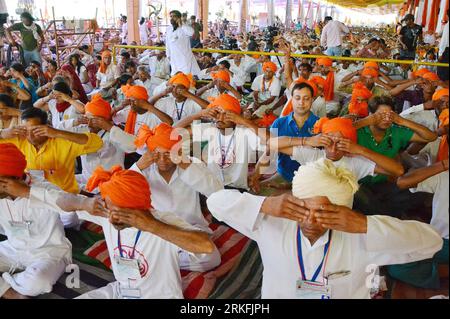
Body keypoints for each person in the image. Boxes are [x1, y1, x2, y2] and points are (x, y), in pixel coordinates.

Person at [206, 159, 442, 299]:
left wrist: (366, 224)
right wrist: (265, 203)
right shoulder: (271, 224)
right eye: (303, 209)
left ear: (342, 212)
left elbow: (432, 242)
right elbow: (215, 203)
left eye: (324, 213)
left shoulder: (362, 235)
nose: (310, 221)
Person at [31, 166, 215, 299]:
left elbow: (206, 246)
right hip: (120, 291)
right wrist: (83, 203)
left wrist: (152, 226)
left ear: (139, 208)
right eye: (109, 207)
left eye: (121, 212)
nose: (113, 218)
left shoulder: (162, 221)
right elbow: (59, 200)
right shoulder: (108, 214)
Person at [130, 123, 222, 271]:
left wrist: (185, 164)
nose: (162, 160)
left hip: (190, 228)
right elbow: (122, 191)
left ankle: (160, 261)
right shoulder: (145, 169)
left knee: (211, 258)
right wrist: (138, 167)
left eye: (167, 154)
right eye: (156, 154)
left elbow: (216, 191)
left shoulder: (191, 163)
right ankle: (166, 260)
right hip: (157, 228)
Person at [0, 144, 72, 299]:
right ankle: (10, 291)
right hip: (12, 249)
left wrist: (29, 194)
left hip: (48, 252)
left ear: (16, 179)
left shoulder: (45, 189)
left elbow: (71, 216)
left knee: (38, 281)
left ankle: (8, 283)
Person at [0, 108, 103, 195]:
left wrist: (57, 132)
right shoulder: (19, 140)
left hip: (65, 197)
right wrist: (2, 133)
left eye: (35, 130)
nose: (30, 136)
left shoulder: (62, 141)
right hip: (34, 196)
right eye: (25, 131)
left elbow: (97, 143)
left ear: (47, 126)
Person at [176, 93, 267, 191]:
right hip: (212, 186)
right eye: (217, 113)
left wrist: (256, 176)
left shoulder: (245, 133)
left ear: (235, 117)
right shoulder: (211, 128)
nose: (220, 118)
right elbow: (173, 131)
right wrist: (199, 114)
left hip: (237, 187)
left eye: (226, 115)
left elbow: (272, 144)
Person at [389, 159, 449, 289]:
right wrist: (443, 165)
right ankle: (439, 277)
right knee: (397, 263)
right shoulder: (445, 176)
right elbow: (403, 182)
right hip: (441, 242)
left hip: (439, 243)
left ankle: (438, 274)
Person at [166, 10, 201, 76]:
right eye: (171, 16)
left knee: (184, 78)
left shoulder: (184, 27)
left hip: (184, 59)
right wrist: (168, 55)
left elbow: (191, 33)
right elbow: (168, 44)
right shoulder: (169, 29)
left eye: (174, 16)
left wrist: (181, 25)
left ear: (179, 18)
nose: (172, 18)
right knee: (175, 78)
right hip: (174, 59)